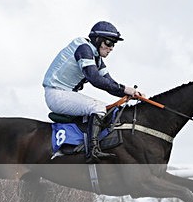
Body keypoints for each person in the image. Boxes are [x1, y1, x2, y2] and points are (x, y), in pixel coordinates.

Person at [43, 21, 143, 162]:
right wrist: (125, 89)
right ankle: (93, 151)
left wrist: (128, 93)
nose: (111, 48)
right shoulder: (84, 49)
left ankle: (76, 146)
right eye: (109, 43)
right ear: (98, 40)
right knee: (98, 107)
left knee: (106, 109)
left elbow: (109, 82)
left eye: (113, 44)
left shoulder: (96, 56)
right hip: (56, 94)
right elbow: (95, 79)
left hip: (66, 94)